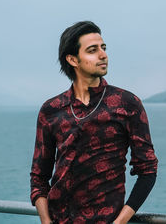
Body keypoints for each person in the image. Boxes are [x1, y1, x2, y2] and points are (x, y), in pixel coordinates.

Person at [30, 21, 158, 224]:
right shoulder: (51, 109)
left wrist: (119, 222)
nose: (103, 55)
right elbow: (39, 176)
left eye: (103, 48)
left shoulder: (127, 104)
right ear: (73, 59)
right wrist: (46, 222)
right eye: (92, 50)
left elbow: (148, 171)